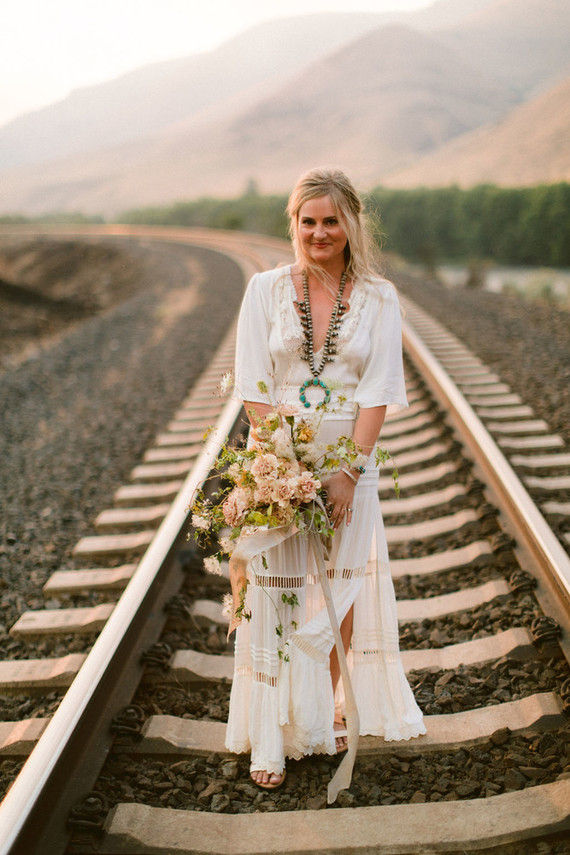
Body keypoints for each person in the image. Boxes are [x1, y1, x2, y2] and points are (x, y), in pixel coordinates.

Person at [225, 166, 425, 791]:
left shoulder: (380, 297)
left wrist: (346, 472)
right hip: (279, 462)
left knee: (341, 592)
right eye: (307, 221)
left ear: (350, 224)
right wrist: (274, 463)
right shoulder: (263, 289)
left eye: (330, 221)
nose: (319, 232)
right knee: (274, 591)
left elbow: (379, 392)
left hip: (347, 468)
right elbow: (254, 383)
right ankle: (268, 738)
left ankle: (320, 715)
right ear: (294, 225)